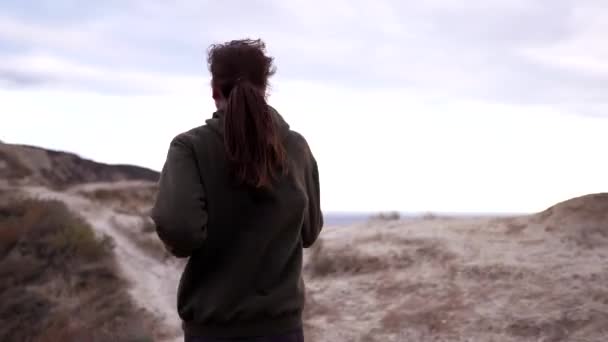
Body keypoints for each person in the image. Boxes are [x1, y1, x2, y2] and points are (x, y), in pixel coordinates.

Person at [151, 39, 323, 342]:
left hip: (213, 332)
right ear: (266, 87)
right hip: (282, 331)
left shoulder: (190, 148)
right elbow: (309, 231)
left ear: (214, 90)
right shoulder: (295, 146)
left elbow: (180, 231)